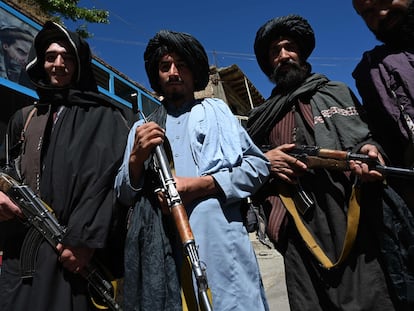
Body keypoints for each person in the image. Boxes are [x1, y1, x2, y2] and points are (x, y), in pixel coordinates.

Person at [247, 14, 396, 311]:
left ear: (301, 52)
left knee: (366, 298)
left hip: (347, 213)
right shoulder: (262, 116)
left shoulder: (335, 92)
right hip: (294, 226)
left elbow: (368, 136)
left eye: (289, 47)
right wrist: (266, 161)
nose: (283, 55)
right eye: (275, 52)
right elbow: (245, 165)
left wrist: (369, 149)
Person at [114, 29, 270, 311]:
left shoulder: (217, 112)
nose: (174, 72)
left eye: (181, 65)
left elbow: (258, 167)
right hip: (161, 254)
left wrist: (203, 185)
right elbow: (123, 194)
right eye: (165, 67)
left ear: (193, 72)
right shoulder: (142, 128)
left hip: (222, 248)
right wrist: (136, 157)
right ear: (156, 75)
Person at [0, 21, 130, 311]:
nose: (58, 64)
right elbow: (5, 169)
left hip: (74, 255)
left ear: (80, 65)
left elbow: (108, 183)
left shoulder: (104, 116)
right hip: (20, 253)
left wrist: (85, 240)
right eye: (50, 57)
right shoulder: (25, 117)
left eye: (67, 57)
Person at [352, 1, 414, 309]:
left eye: (383, 1)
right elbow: (385, 132)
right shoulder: (371, 70)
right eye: (366, 12)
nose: (380, 14)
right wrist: (370, 147)